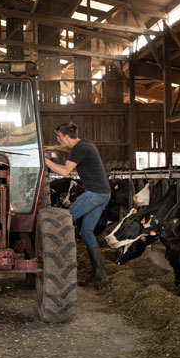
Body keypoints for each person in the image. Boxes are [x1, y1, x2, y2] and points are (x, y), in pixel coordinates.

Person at [43, 121, 110, 285]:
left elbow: (65, 171)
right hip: (103, 194)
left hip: (94, 194)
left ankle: (55, 265)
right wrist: (52, 148)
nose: (58, 139)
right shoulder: (84, 144)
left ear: (66, 136)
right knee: (86, 232)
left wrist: (44, 160)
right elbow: (68, 149)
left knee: (63, 220)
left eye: (59, 137)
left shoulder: (81, 148)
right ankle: (100, 274)